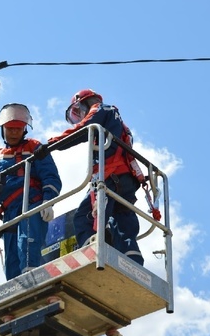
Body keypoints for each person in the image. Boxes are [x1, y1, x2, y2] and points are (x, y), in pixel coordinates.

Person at [46, 89, 144, 266]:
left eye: (77, 111)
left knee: (84, 216)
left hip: (109, 176)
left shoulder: (100, 109)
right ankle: (133, 261)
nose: (79, 116)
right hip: (127, 180)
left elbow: (84, 128)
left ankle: (90, 255)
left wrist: (51, 144)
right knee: (122, 221)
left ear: (84, 102)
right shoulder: (118, 121)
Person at [0, 103, 62, 280]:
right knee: (12, 256)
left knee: (28, 241)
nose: (14, 132)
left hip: (31, 204)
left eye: (18, 128)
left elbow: (50, 176)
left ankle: (32, 279)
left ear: (24, 129)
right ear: (3, 130)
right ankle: (15, 287)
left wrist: (48, 201)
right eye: (10, 129)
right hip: (9, 213)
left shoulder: (34, 147)